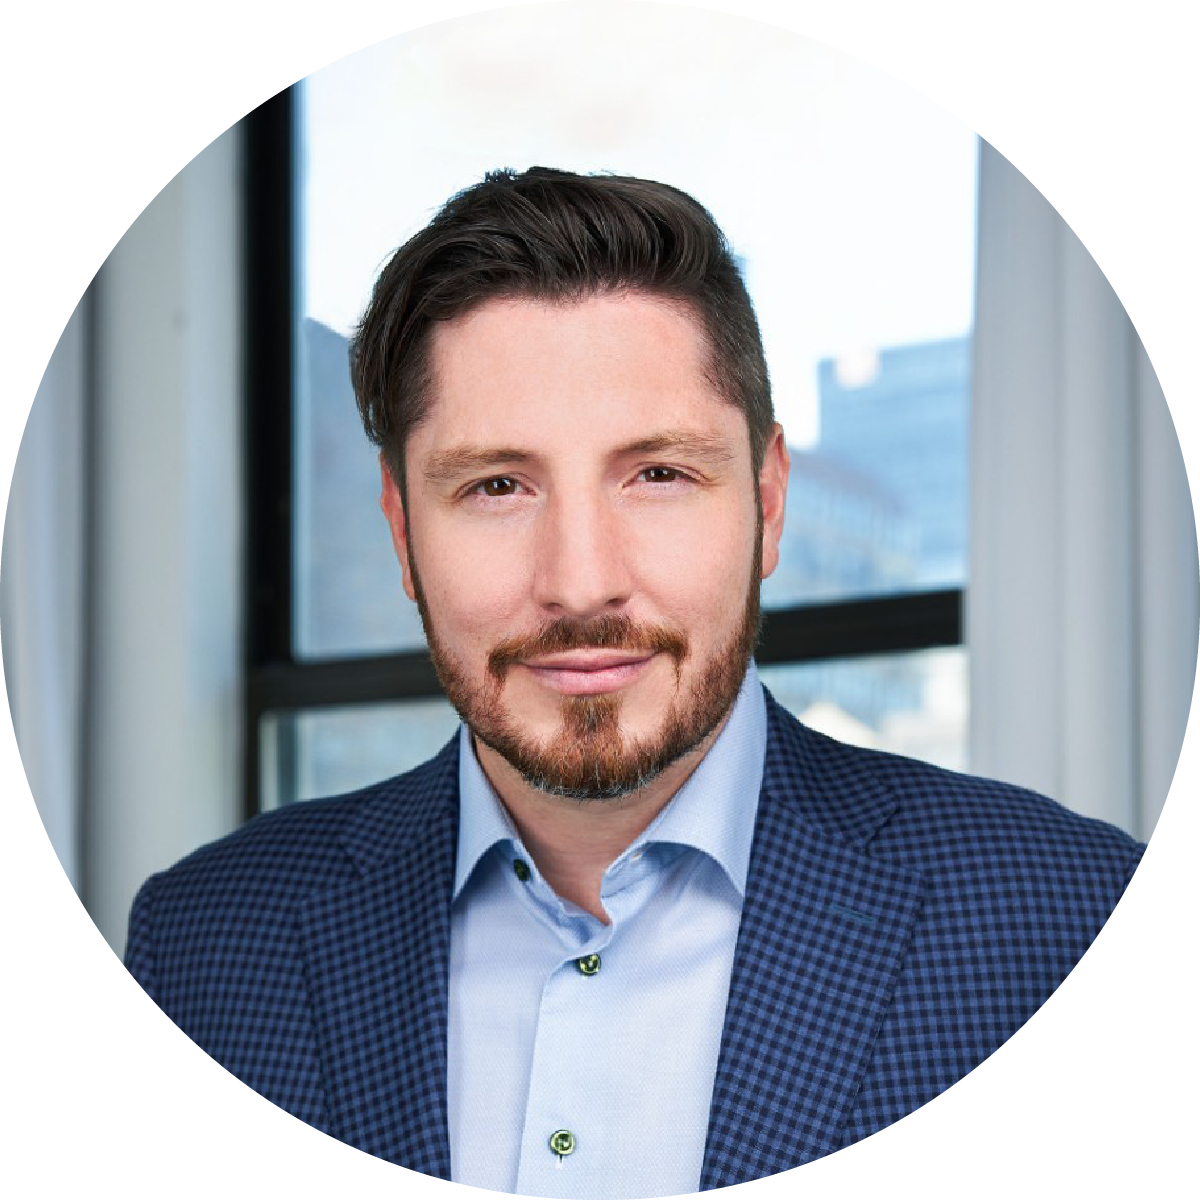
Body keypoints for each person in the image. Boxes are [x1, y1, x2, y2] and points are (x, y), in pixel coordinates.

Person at [125, 167, 1143, 1197]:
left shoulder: (1078, 921)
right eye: (496, 486)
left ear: (768, 503)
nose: (580, 584)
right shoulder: (206, 943)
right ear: (401, 532)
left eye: (658, 475)